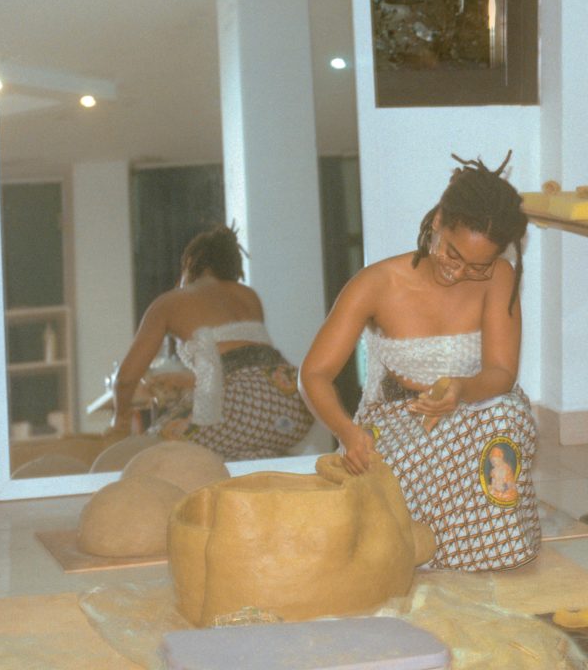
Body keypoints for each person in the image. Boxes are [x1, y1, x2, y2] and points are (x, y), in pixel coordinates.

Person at [299, 152, 541, 571]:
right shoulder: (376, 283)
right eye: (452, 253)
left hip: (474, 407)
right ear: (438, 221)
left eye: (477, 266)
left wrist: (462, 390)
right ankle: (435, 544)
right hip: (399, 419)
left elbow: (501, 373)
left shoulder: (500, 276)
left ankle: (474, 552)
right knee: (389, 474)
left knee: (505, 420)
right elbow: (313, 374)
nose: (458, 272)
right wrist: (347, 432)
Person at [109, 224, 313, 461]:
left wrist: (120, 421)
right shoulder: (248, 296)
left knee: (148, 453)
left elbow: (126, 379)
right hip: (293, 400)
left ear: (189, 263)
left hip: (240, 406)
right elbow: (245, 362)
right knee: (235, 448)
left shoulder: (169, 302)